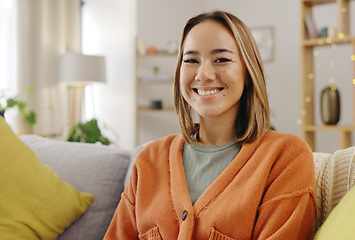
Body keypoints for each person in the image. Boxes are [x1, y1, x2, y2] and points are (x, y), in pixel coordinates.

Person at [104, 11, 317, 240]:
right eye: (191, 60)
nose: (204, 74)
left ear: (247, 72)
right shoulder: (148, 160)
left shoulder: (285, 157)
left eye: (222, 59)